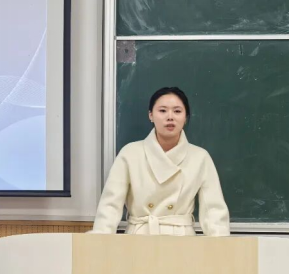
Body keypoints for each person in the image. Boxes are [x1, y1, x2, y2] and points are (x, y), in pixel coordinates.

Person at [90, 87, 230, 236]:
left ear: (185, 117)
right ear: (150, 115)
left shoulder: (200, 157)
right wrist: (100, 239)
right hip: (139, 237)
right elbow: (110, 206)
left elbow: (213, 210)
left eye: (177, 111)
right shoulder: (130, 153)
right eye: (162, 111)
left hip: (182, 239)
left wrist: (220, 244)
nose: (170, 117)